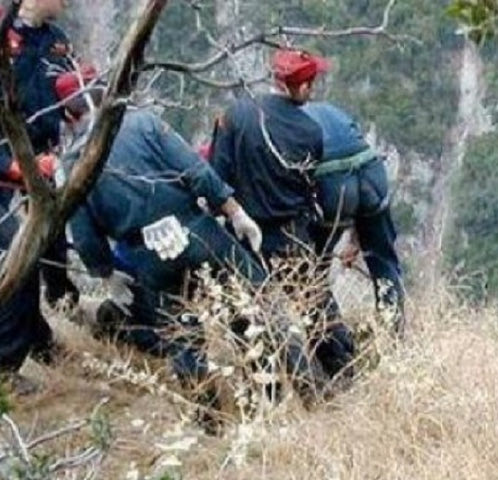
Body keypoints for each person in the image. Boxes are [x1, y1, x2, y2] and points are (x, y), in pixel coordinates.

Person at [60, 68, 316, 418]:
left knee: (184, 339)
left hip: (147, 254)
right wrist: (234, 210)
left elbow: (84, 232)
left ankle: (211, 419)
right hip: (196, 231)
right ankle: (297, 395)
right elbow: (195, 170)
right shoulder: (143, 124)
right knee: (259, 305)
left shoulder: (72, 162)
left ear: (69, 116)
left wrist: (105, 273)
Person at [209, 48, 355, 380]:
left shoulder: (234, 116)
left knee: (246, 316)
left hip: (244, 235)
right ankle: (343, 378)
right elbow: (310, 186)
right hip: (291, 236)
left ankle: (266, 389)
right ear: (299, 87)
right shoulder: (309, 132)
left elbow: (216, 178)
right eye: (311, 83)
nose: (313, 90)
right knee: (315, 307)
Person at [0, 0, 79, 394]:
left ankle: (38, 337)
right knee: (16, 255)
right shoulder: (3, 33)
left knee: (49, 244)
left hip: (45, 160)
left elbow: (72, 95)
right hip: (7, 162)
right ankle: (5, 366)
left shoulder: (58, 43)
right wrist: (11, 164)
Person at [302, 99, 405, 334]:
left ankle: (333, 343)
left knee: (313, 270)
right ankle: (393, 337)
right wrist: (355, 240)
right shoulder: (333, 110)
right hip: (371, 173)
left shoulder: (289, 122)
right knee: (384, 263)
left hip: (332, 186)